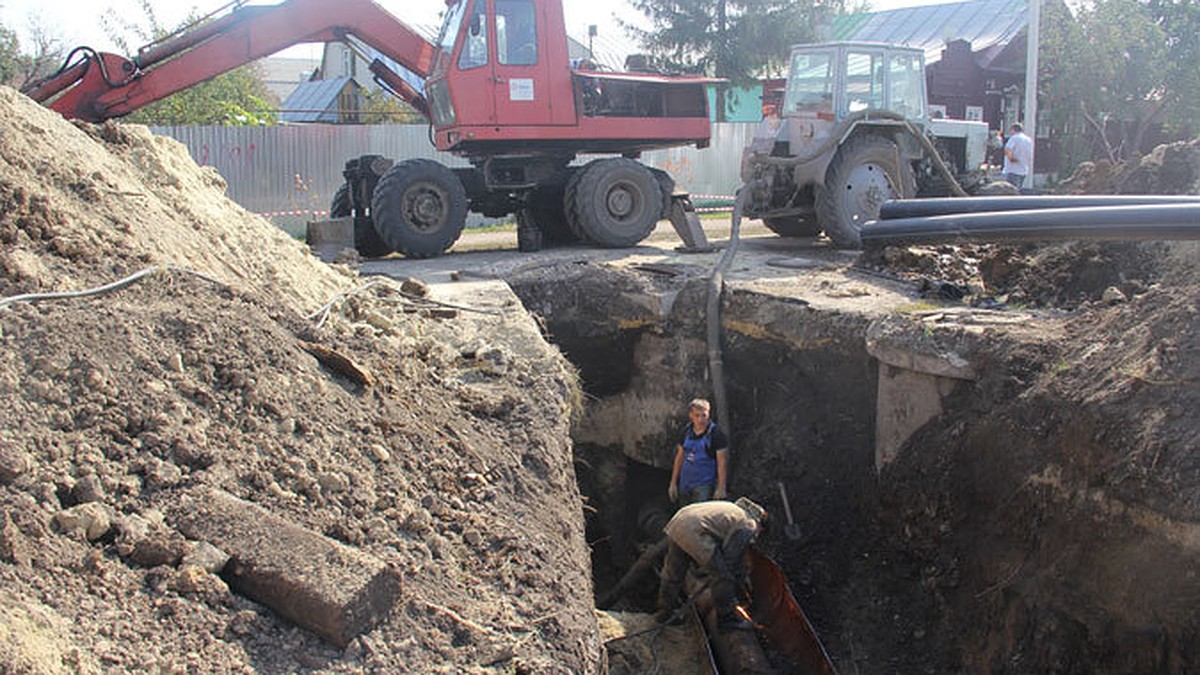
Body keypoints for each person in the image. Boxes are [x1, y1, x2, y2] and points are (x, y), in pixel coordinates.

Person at [654, 497, 768, 630]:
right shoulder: (748, 525)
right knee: (723, 576)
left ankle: (664, 613)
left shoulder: (733, 509)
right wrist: (736, 580)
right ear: (761, 527)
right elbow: (730, 560)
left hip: (679, 520)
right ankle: (727, 620)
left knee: (673, 573)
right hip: (694, 530)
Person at [667, 398, 729, 506]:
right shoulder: (686, 431)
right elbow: (679, 457)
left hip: (703, 486)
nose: (700, 419)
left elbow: (722, 463)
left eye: (704, 415)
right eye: (697, 415)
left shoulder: (716, 435)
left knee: (699, 517)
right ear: (691, 415)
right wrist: (673, 483)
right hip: (685, 484)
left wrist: (721, 488)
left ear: (708, 414)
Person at [1003, 122, 1034, 190]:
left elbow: (1008, 150)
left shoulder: (1014, 138)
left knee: (1010, 191)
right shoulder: (1028, 140)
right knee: (1018, 190)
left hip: (1012, 170)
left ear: (1013, 130)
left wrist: (1011, 159)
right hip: (1023, 169)